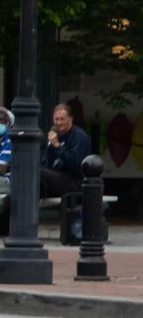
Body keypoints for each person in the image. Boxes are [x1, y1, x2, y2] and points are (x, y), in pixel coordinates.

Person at [43, 102, 92, 246]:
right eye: (56, 119)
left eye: (62, 119)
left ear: (71, 119)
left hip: (75, 181)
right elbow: (49, 163)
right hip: (57, 179)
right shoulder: (55, 135)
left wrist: (57, 146)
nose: (59, 123)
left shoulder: (79, 136)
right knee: (33, 173)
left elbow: (74, 162)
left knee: (39, 172)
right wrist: (50, 147)